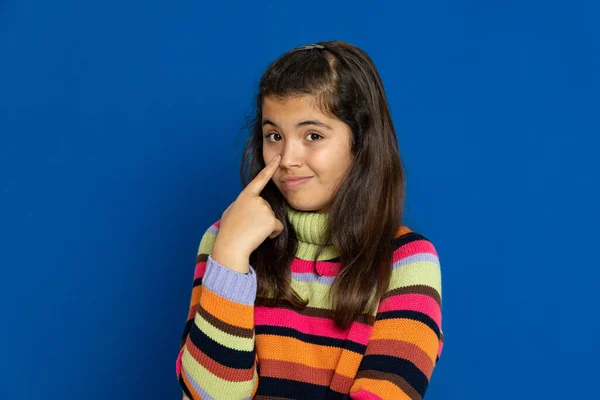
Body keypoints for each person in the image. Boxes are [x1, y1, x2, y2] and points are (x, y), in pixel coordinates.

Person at [176, 40, 443, 400]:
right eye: (274, 136)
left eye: (312, 136)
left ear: (360, 142)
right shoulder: (226, 241)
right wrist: (229, 259)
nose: (287, 158)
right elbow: (208, 396)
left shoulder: (407, 260)